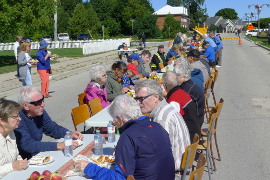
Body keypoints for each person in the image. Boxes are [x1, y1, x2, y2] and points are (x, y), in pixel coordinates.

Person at [75, 95, 175, 180]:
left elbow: (120, 178)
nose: (114, 123)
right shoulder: (156, 126)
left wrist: (89, 167)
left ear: (120, 118)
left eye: (115, 119)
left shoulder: (128, 136)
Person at [134, 79, 190, 177]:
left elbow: (161, 157)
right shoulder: (166, 108)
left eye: (141, 99)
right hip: (181, 168)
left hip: (174, 174)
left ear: (156, 97)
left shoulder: (161, 119)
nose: (138, 103)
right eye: (136, 99)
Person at [14, 86, 83, 159]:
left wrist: (69, 134)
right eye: (38, 103)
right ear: (25, 106)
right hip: (23, 160)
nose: (43, 104)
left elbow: (52, 128)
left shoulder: (39, 112)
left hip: (36, 155)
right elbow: (27, 145)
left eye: (42, 100)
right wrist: (58, 145)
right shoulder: (16, 119)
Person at [162, 71, 201, 141]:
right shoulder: (182, 92)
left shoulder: (173, 101)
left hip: (188, 136)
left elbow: (172, 123)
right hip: (195, 130)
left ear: (164, 85)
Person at [0, 98, 28, 178]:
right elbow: (13, 165)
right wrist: (12, 166)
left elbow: (16, 156)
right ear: (2, 121)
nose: (19, 119)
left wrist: (21, 163)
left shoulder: (11, 132)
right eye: (15, 117)